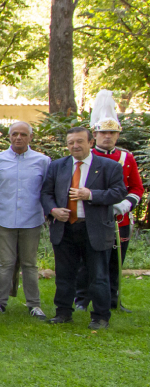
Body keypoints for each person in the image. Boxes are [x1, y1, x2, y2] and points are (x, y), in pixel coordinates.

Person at [42, 127, 126, 329]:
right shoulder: (57, 166)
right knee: (64, 275)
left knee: (98, 276)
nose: (75, 146)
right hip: (65, 229)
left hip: (95, 229)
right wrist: (53, 210)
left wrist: (91, 195)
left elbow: (119, 192)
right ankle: (63, 313)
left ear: (91, 143)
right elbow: (45, 193)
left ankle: (100, 317)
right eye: (71, 142)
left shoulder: (109, 166)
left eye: (79, 141)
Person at [80, 91, 143, 313]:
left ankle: (113, 299)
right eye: (104, 132)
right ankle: (82, 300)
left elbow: (137, 187)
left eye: (112, 133)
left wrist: (125, 204)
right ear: (95, 134)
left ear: (118, 135)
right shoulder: (84, 157)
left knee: (116, 260)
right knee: (87, 262)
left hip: (119, 217)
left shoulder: (127, 157)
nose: (108, 136)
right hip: (91, 216)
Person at [0, 121, 49, 318]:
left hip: (32, 219)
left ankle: (34, 304)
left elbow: (46, 189)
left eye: (23, 134)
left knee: (30, 263)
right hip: (4, 219)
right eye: (14, 134)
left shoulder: (43, 161)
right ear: (9, 137)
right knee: (6, 263)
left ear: (30, 137)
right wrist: (3, 207)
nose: (18, 137)